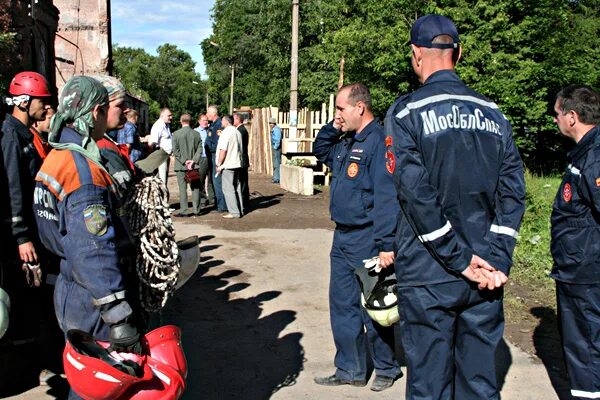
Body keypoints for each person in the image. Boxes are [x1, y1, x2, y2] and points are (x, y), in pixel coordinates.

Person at [384, 14, 525, 399]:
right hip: (486, 273)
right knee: (480, 384)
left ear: (416, 54)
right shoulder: (495, 113)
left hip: (430, 271)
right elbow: (513, 193)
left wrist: (459, 259)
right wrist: (497, 258)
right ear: (458, 53)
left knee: (429, 386)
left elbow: (417, 196)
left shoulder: (406, 112)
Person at [33, 76, 142, 399]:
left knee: (82, 376)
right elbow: (93, 249)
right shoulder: (83, 170)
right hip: (93, 296)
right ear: (95, 111)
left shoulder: (56, 157)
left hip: (71, 287)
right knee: (101, 382)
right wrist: (117, 314)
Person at [313, 83, 401, 392]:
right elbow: (320, 150)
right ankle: (350, 368)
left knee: (374, 307)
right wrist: (332, 126)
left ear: (359, 107)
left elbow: (386, 195)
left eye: (340, 108)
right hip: (343, 237)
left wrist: (386, 245)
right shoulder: (346, 140)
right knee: (342, 306)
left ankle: (387, 369)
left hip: (367, 238)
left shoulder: (378, 141)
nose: (338, 115)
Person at [0, 70, 52, 388]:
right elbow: (12, 188)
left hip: (29, 233)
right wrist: (20, 236)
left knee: (32, 300)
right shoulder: (9, 136)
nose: (46, 107)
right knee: (22, 301)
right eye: (41, 101)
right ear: (23, 101)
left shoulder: (24, 134)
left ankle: (32, 361)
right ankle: (20, 370)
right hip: (16, 239)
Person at [549, 85, 600, 400]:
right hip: (578, 267)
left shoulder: (594, 156)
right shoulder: (584, 153)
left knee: (585, 346)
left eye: (557, 114)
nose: (554, 120)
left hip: (586, 272)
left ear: (572, 116)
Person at [172, 113, 204, 216]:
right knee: (195, 188)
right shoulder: (196, 134)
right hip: (194, 166)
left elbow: (175, 151)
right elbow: (200, 149)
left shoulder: (176, 134)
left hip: (181, 166)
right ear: (190, 121)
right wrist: (193, 160)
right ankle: (196, 210)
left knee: (182, 189)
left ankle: (184, 211)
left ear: (181, 121)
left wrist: (184, 160)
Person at [216, 115, 244, 219]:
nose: (221, 122)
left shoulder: (226, 132)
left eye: (222, 120)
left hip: (228, 164)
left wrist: (219, 164)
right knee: (236, 187)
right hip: (237, 163)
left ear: (226, 122)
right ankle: (239, 209)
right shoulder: (237, 131)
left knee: (228, 189)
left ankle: (234, 212)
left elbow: (223, 149)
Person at [206, 105, 227, 212]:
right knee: (214, 181)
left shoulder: (218, 125)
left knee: (217, 180)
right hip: (211, 155)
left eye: (208, 113)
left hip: (216, 154)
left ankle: (222, 206)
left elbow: (219, 143)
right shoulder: (213, 125)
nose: (206, 115)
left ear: (213, 114)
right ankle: (219, 204)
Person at [149, 108, 173, 186]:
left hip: (166, 155)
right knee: (162, 180)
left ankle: (163, 196)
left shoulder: (166, 125)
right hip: (161, 155)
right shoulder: (158, 126)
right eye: (169, 115)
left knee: (163, 177)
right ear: (162, 115)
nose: (171, 117)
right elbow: (152, 142)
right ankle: (162, 197)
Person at [195, 113, 215, 207]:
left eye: (207, 120)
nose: (205, 122)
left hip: (211, 157)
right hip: (202, 158)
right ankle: (203, 199)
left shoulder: (211, 130)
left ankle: (212, 198)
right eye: (203, 120)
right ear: (199, 121)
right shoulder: (196, 132)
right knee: (201, 179)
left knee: (212, 179)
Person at [234, 112, 250, 206]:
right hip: (243, 159)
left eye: (234, 119)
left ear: (238, 120)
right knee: (243, 181)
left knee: (242, 181)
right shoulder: (241, 129)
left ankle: (244, 201)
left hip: (242, 160)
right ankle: (244, 201)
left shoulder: (240, 130)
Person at [269, 117, 282, 184]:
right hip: (275, 147)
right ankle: (275, 177)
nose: (270, 124)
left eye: (271, 123)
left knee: (276, 163)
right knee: (275, 163)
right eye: (270, 123)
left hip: (276, 148)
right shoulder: (274, 129)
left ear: (274, 123)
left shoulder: (276, 130)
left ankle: (277, 178)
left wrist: (275, 147)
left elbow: (277, 140)